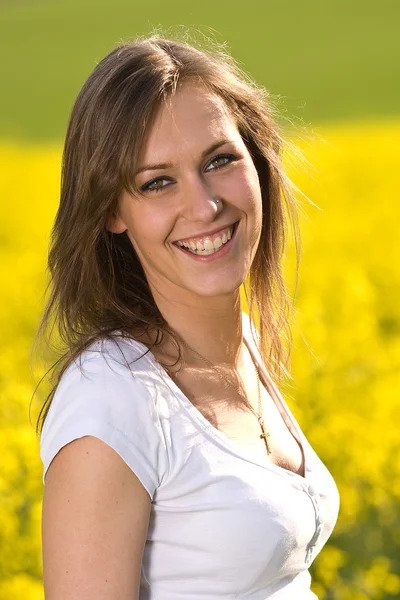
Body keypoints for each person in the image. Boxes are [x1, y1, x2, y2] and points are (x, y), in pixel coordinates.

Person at [36, 35, 340, 599]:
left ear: (257, 164)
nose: (204, 206)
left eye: (220, 160)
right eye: (157, 182)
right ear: (110, 212)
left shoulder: (242, 341)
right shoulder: (110, 400)